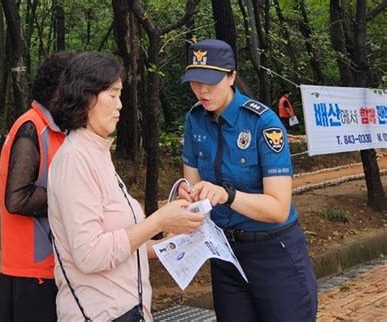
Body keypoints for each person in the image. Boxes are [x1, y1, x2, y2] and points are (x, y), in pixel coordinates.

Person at [46, 52, 205, 322]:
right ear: (86, 96)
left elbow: (119, 243)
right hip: (100, 313)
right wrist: (159, 220)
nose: (120, 105)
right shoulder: (74, 159)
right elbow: (89, 255)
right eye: (113, 95)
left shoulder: (97, 152)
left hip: (128, 310)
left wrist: (172, 242)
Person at [178, 39, 317, 322]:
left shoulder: (262, 123)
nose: (202, 91)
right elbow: (191, 185)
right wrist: (188, 195)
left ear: (231, 76)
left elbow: (278, 208)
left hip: (274, 253)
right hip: (225, 254)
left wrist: (227, 195)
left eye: (212, 81)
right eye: (195, 81)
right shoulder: (195, 120)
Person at [0, 51, 74, 322]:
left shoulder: (54, 130)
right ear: (59, 91)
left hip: (48, 268)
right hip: (32, 272)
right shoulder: (31, 128)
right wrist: (72, 197)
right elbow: (16, 198)